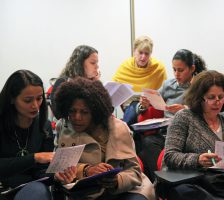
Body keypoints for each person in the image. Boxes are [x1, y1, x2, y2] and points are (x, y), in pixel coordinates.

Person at [54, 77, 155, 200]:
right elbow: (58, 167)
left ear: (96, 112)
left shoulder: (119, 128)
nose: (77, 117)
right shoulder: (63, 128)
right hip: (85, 192)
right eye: (72, 111)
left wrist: (117, 180)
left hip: (126, 190)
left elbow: (134, 172)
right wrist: (86, 170)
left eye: (84, 112)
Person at [164, 70, 224, 200]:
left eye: (221, 97)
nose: (217, 102)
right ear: (199, 98)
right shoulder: (184, 117)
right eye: (211, 98)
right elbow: (170, 156)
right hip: (196, 184)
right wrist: (198, 160)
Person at [0, 70, 76, 200]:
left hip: (29, 190)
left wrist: (56, 176)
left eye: (39, 98)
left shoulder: (43, 126)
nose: (35, 105)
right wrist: (34, 158)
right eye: (28, 100)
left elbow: (41, 172)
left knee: (39, 191)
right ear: (12, 99)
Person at [137, 49, 207, 182]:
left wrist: (185, 109)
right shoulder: (168, 85)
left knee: (147, 154)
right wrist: (143, 104)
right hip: (165, 132)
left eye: (180, 70)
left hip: (188, 134)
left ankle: (166, 181)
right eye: (174, 69)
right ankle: (162, 180)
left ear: (192, 68)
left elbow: (207, 110)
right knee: (146, 143)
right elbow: (149, 103)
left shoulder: (200, 86)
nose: (176, 74)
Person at [112, 36, 167, 126]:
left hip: (152, 106)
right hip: (130, 104)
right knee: (133, 110)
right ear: (134, 51)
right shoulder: (125, 66)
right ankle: (127, 133)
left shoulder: (158, 68)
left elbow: (164, 92)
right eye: (140, 53)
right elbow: (113, 88)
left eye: (147, 54)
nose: (143, 57)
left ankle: (128, 133)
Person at [50, 45, 100, 119]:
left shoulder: (93, 82)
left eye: (97, 63)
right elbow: (59, 114)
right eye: (93, 63)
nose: (97, 66)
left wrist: (97, 86)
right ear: (80, 64)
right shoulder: (63, 82)